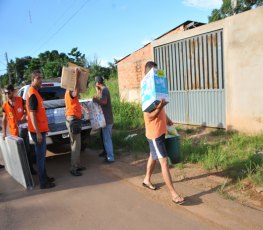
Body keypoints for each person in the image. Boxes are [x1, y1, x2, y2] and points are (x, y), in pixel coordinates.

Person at [142, 61, 184, 204]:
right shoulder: (145, 94)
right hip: (154, 133)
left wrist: (168, 119)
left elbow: (160, 112)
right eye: (154, 72)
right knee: (164, 162)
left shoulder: (155, 91)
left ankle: (147, 179)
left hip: (159, 131)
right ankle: (173, 194)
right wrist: (160, 107)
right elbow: (150, 116)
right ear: (148, 74)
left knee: (153, 156)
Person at [26, 70, 55, 189]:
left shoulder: (36, 92)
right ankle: (43, 183)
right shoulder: (32, 93)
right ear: (33, 80)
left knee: (42, 157)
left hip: (41, 130)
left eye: (41, 78)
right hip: (37, 132)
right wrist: (38, 132)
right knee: (40, 158)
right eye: (38, 79)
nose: (41, 81)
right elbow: (32, 115)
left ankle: (45, 178)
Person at [2, 84, 36, 174]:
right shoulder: (5, 105)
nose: (6, 95)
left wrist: (24, 115)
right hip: (14, 133)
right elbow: (4, 119)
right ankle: (22, 172)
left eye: (8, 92)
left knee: (27, 150)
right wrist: (5, 133)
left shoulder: (20, 100)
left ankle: (31, 169)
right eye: (5, 93)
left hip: (23, 130)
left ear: (13, 92)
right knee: (18, 153)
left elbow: (27, 110)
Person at [65, 68, 86, 176]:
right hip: (73, 120)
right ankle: (74, 168)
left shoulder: (70, 92)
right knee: (75, 145)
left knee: (77, 145)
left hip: (75, 119)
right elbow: (76, 91)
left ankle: (77, 165)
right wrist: (77, 76)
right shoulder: (69, 91)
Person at [93, 76, 114, 163]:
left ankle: (110, 158)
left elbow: (104, 102)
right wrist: (98, 93)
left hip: (107, 120)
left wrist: (95, 100)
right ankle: (107, 153)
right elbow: (102, 100)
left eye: (95, 83)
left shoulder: (104, 90)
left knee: (107, 139)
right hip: (105, 119)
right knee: (105, 137)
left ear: (97, 83)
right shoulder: (103, 90)